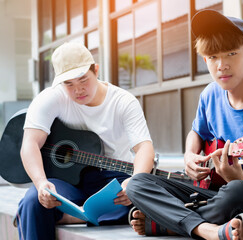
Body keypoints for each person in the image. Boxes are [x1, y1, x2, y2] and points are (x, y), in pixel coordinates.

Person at [126, 9, 243, 240]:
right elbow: (196, 132)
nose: (221, 65)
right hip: (219, 195)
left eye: (231, 54)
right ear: (205, 61)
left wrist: (241, 181)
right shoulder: (210, 95)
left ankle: (169, 223)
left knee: (236, 191)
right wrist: (189, 155)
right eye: (212, 57)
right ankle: (208, 230)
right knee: (137, 183)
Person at [15, 42, 155, 240]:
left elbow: (144, 148)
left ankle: (69, 217)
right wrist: (41, 183)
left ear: (96, 70)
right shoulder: (51, 98)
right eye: (69, 84)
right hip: (66, 179)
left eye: (83, 80)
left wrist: (134, 182)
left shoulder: (123, 101)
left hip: (112, 179)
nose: (78, 90)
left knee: (146, 199)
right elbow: (30, 143)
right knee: (33, 202)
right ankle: (77, 215)